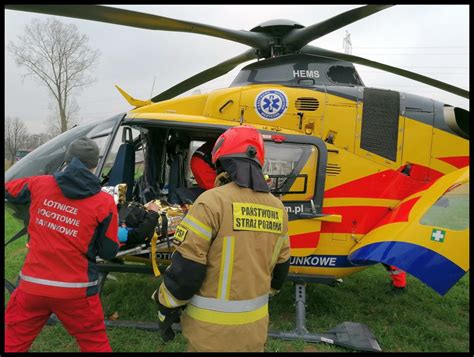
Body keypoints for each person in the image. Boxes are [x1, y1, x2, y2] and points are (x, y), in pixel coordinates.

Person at [152, 125, 291, 352]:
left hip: (210, 335)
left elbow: (186, 271)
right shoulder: (278, 208)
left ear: (222, 161)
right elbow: (281, 270)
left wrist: (165, 306)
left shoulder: (211, 202)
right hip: (255, 331)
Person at [5, 137, 120, 352]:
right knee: (94, 344)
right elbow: (109, 250)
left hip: (32, 287)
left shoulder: (38, 184)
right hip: (76, 292)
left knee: (12, 343)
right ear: (95, 164)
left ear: (67, 160)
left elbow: (9, 189)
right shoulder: (104, 203)